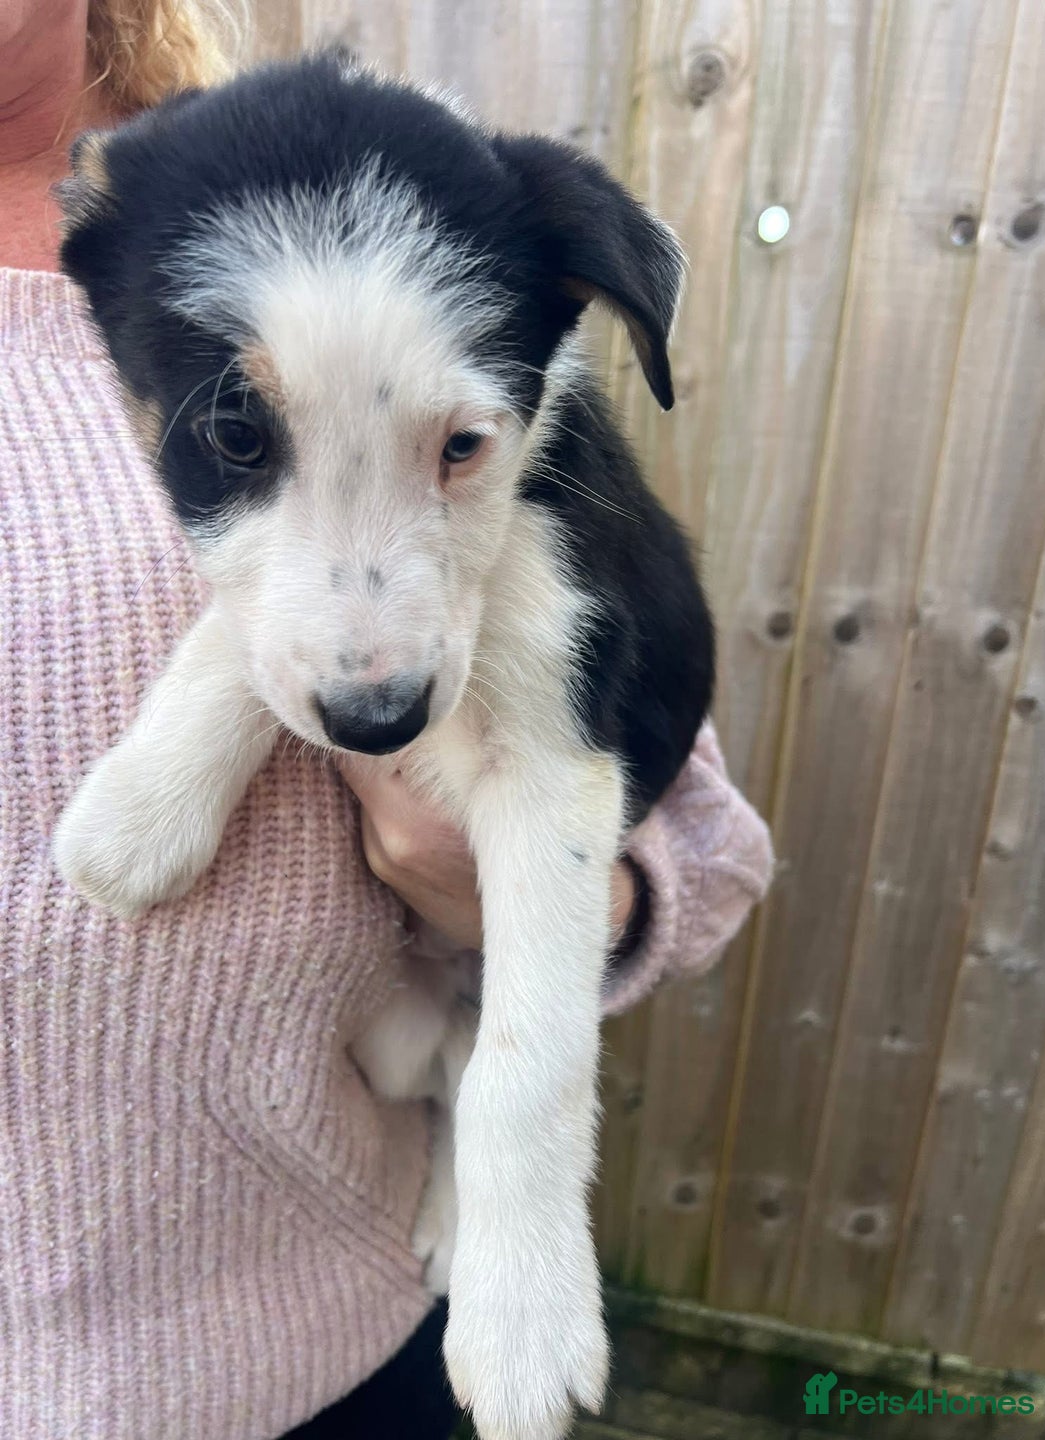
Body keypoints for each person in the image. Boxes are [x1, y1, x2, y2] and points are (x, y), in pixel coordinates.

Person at [0, 2, 773, 1437]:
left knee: (436, 1040)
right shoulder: (162, 238)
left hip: (346, 1324)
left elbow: (670, 832)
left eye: (463, 446)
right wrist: (200, 733)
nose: (371, 654)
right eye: (238, 436)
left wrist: (512, 1175)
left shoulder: (393, 247)